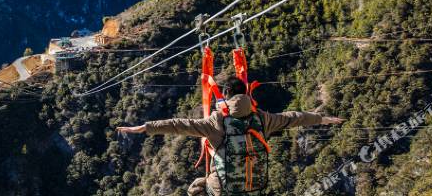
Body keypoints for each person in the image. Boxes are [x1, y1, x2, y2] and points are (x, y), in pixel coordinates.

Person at [117, 80, 344, 195]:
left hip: (222, 186)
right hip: (252, 183)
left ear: (226, 97)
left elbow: (178, 125)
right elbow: (295, 117)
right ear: (246, 94)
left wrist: (144, 127)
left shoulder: (216, 122)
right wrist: (323, 119)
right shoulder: (263, 119)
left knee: (195, 188)